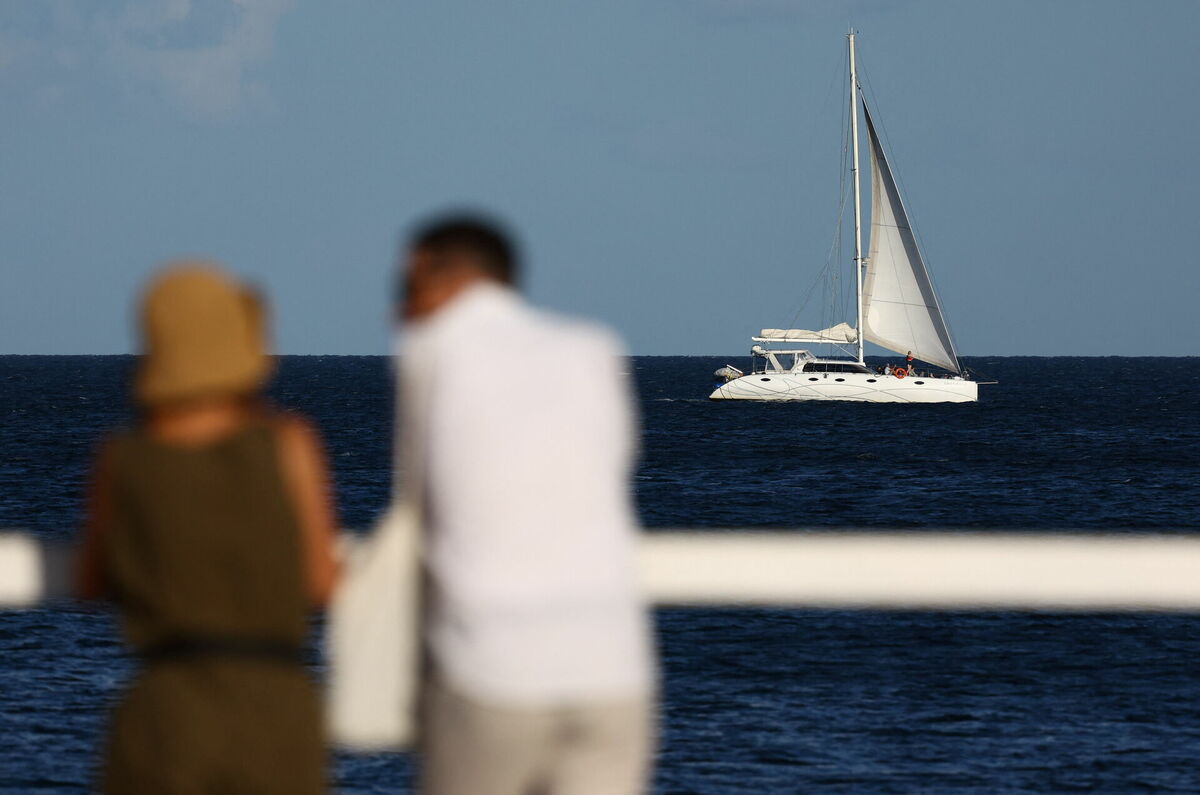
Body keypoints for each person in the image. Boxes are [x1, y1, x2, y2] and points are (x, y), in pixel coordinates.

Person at [396, 215, 656, 795]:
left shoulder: (431, 351)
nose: (398, 308)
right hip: (612, 668)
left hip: (495, 669)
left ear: (441, 278)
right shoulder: (594, 347)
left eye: (405, 287)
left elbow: (419, 500)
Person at [76, 263, 339, 794]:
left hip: (165, 707)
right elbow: (321, 582)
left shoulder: (123, 460)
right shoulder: (289, 445)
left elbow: (91, 582)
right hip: (274, 705)